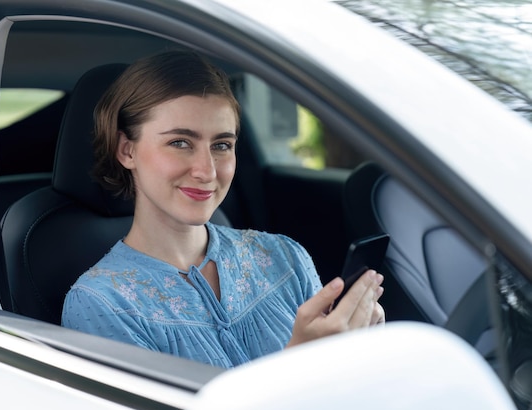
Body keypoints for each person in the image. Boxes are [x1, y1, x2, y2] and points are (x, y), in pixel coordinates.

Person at [61, 50, 384, 368]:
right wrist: (300, 362)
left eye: (221, 145)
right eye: (180, 143)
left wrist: (361, 353)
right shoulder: (101, 303)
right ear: (126, 150)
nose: (208, 171)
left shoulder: (284, 256)